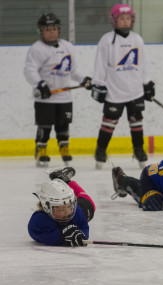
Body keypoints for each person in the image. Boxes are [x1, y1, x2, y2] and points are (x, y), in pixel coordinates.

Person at [91, 4, 155, 169]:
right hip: (114, 91)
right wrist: (98, 84)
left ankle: (139, 149)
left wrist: (147, 83)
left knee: (136, 122)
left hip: (135, 90)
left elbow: (142, 65)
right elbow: (100, 65)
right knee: (109, 123)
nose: (125, 22)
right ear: (114, 21)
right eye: (121, 19)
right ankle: (101, 149)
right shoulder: (106, 40)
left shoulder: (137, 39)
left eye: (128, 18)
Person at [24, 13, 92, 168]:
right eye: (47, 29)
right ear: (41, 31)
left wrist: (83, 80)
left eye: (54, 28)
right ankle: (41, 149)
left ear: (59, 30)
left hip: (64, 97)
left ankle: (64, 148)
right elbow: (30, 70)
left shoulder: (68, 47)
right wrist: (40, 84)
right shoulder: (37, 49)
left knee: (63, 125)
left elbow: (72, 71)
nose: (51, 32)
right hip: (45, 98)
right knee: (45, 126)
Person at [28, 167, 96, 247]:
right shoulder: (39, 220)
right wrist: (61, 236)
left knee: (89, 204)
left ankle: (66, 181)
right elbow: (40, 235)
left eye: (69, 207)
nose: (67, 212)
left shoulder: (76, 211)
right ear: (47, 208)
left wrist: (81, 235)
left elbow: (84, 227)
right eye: (61, 209)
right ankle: (64, 181)